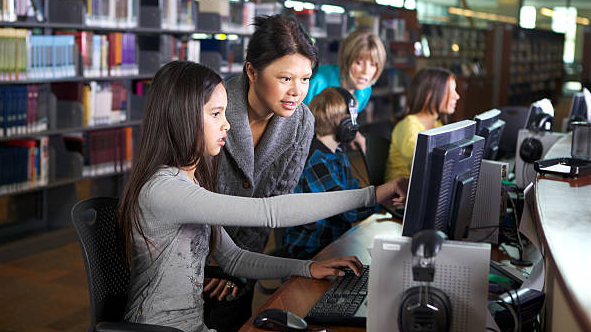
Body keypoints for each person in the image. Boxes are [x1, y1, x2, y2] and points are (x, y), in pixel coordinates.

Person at [116, 61, 408, 332]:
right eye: (216, 114)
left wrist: (307, 268)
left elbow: (233, 258)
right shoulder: (163, 190)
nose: (226, 124)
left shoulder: (190, 183)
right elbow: (271, 212)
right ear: (182, 117)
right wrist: (373, 194)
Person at [205, 14, 317, 331]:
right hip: (191, 253)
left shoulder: (301, 123)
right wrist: (215, 264)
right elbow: (189, 195)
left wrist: (239, 268)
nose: (297, 91)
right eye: (285, 79)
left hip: (243, 259)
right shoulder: (212, 106)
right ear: (251, 71)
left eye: (305, 79)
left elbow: (274, 203)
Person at [284, 87, 407, 259]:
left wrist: (385, 201)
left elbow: (353, 191)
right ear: (344, 123)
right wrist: (383, 197)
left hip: (334, 241)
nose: (355, 124)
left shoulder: (338, 153)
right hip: (310, 251)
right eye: (353, 117)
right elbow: (347, 210)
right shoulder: (315, 160)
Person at [303, 29, 386, 152]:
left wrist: (354, 134)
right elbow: (298, 124)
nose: (366, 72)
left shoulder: (364, 90)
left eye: (373, 64)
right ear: (346, 60)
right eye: (359, 63)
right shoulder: (318, 82)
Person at [384, 67, 460, 182]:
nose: (457, 96)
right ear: (430, 94)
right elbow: (423, 165)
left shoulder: (438, 124)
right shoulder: (408, 125)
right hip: (401, 193)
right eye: (451, 91)